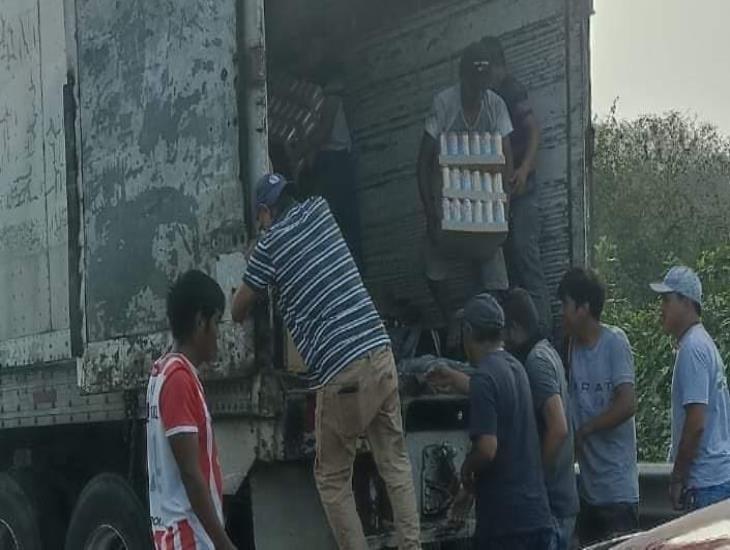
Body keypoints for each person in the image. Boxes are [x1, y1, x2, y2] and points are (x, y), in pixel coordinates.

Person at [231, 174, 421, 550]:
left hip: (342, 369)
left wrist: (255, 252)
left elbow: (238, 309)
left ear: (265, 213)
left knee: (333, 478)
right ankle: (412, 545)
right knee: (394, 462)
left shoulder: (270, 245)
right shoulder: (320, 209)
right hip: (380, 352)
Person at [431, 293, 555, 549]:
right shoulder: (517, 368)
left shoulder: (485, 376)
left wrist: (466, 470)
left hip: (505, 526)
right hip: (537, 518)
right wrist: (456, 378)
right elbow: (499, 396)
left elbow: (487, 449)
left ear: (467, 330)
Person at [416, 41, 514, 336]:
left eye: (483, 84)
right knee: (431, 262)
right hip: (448, 208)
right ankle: (452, 321)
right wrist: (432, 214)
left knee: (496, 276)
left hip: (485, 211)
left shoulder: (495, 105)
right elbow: (423, 164)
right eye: (473, 83)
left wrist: (504, 208)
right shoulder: (444, 104)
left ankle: (487, 334)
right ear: (463, 78)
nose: (478, 91)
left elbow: (507, 159)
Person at [146, 270, 235, 550]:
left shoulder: (166, 370)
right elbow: (191, 475)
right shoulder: (178, 380)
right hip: (189, 539)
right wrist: (224, 544)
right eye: (217, 322)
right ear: (200, 322)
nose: (219, 334)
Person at [558, 268, 639, 546]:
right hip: (588, 492)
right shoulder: (570, 348)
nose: (562, 313)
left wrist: (587, 430)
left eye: (566, 305)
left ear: (584, 308)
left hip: (617, 492)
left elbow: (627, 404)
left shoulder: (614, 343)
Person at [481, 36, 552, 337]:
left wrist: (523, 169)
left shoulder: (510, 90)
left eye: (491, 69)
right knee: (508, 273)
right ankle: (520, 338)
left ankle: (545, 339)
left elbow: (535, 130)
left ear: (500, 66)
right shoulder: (488, 98)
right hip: (502, 200)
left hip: (522, 194)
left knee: (528, 264)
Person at [503, 289, 579, 549]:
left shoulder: (537, 361)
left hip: (553, 507)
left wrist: (534, 483)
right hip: (559, 505)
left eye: (503, 332)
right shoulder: (547, 352)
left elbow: (557, 428)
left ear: (514, 328)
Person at [650, 266, 730, 511]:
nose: (661, 308)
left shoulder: (692, 349)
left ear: (686, 302)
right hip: (716, 479)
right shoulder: (703, 343)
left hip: (704, 485)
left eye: (666, 299)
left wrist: (677, 477)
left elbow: (696, 423)